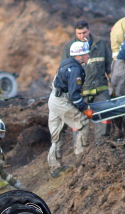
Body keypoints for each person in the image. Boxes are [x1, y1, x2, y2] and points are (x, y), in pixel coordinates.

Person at [61, 20, 112, 140]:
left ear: (89, 30)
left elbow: (109, 66)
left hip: (100, 88)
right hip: (80, 91)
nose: (82, 36)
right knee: (78, 120)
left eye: (84, 32)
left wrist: (114, 86)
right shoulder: (69, 47)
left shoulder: (100, 43)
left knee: (105, 114)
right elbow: (64, 70)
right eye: (79, 33)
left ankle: (103, 145)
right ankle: (80, 149)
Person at [47, 41, 91, 178]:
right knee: (83, 123)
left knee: (57, 134)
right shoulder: (76, 69)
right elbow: (74, 95)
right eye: (86, 54)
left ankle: (55, 167)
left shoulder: (65, 63)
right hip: (61, 101)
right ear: (79, 56)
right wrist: (85, 109)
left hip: (53, 98)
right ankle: (81, 159)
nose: (88, 56)